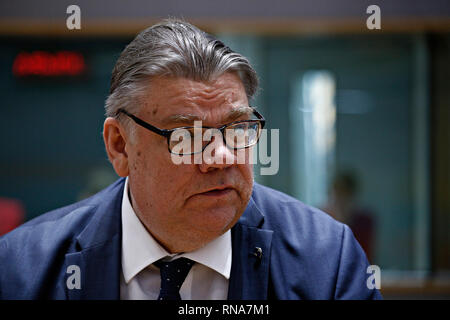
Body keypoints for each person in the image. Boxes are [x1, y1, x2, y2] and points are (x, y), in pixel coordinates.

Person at [0, 19, 381, 300]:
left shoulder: (326, 260)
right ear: (120, 146)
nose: (221, 156)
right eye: (187, 136)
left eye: (237, 128)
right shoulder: (21, 271)